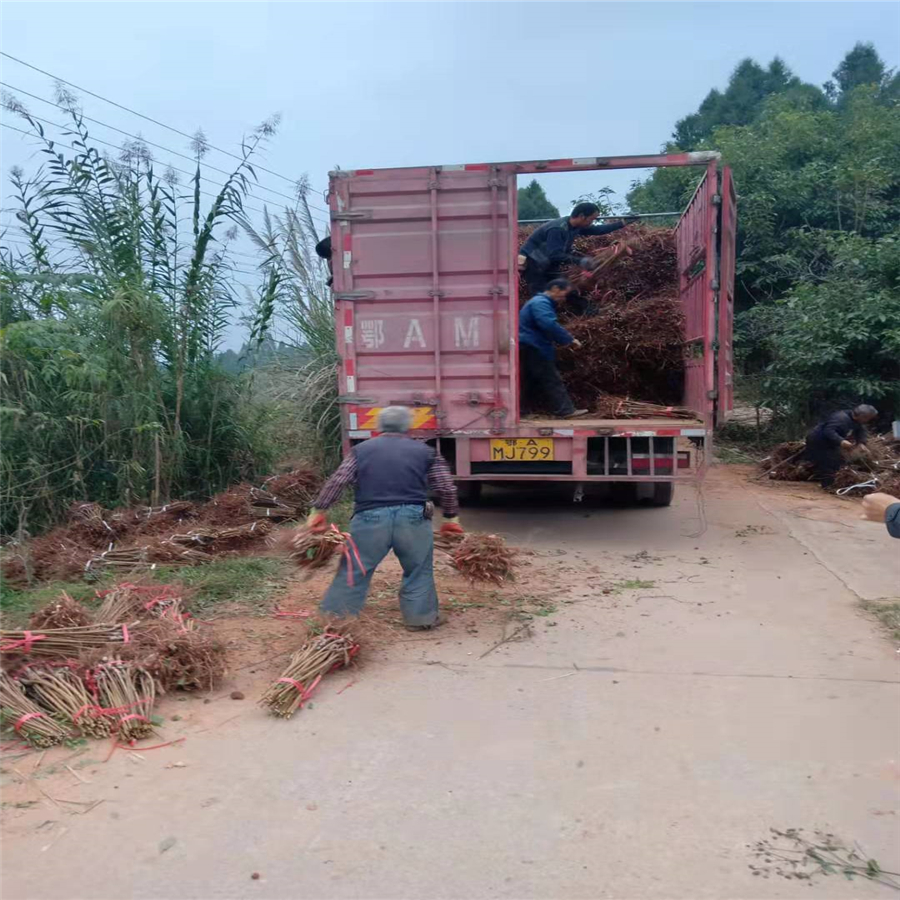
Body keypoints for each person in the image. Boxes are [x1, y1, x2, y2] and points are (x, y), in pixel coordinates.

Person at [306, 407, 463, 630]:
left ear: (378, 427)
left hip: (370, 518)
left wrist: (318, 511)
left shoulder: (361, 450)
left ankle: (334, 622)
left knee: (355, 568)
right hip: (413, 518)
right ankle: (421, 619)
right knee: (418, 569)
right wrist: (451, 518)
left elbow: (338, 481)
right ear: (409, 426)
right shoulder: (426, 452)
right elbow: (446, 487)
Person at [518, 202, 627, 299]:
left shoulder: (573, 226)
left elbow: (597, 230)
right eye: (592, 219)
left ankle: (588, 312)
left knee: (566, 289)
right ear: (582, 216)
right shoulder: (558, 229)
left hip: (547, 263)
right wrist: (580, 261)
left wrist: (622, 223)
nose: (592, 223)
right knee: (540, 297)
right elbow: (555, 254)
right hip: (535, 264)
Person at [519, 278, 587, 419]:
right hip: (534, 346)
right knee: (551, 378)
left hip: (527, 345)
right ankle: (565, 411)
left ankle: (521, 412)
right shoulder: (540, 303)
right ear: (555, 288)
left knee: (527, 381)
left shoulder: (536, 302)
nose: (563, 298)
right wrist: (569, 339)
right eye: (564, 293)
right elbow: (548, 324)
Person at [803, 404, 878, 488]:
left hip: (830, 442)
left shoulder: (856, 420)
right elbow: (829, 431)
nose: (868, 421)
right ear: (862, 416)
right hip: (818, 441)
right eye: (868, 418)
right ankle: (828, 486)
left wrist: (861, 443)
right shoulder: (841, 419)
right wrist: (841, 441)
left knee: (837, 461)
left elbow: (861, 431)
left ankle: (830, 482)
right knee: (829, 462)